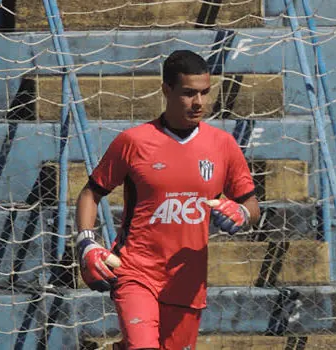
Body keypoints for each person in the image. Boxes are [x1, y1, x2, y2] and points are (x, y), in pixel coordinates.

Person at [75, 50, 260, 350]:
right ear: (166, 90)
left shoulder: (223, 145)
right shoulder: (133, 141)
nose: (198, 102)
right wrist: (86, 242)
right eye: (188, 93)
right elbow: (90, 193)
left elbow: (253, 208)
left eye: (204, 92)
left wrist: (241, 212)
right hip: (136, 272)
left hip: (188, 284)